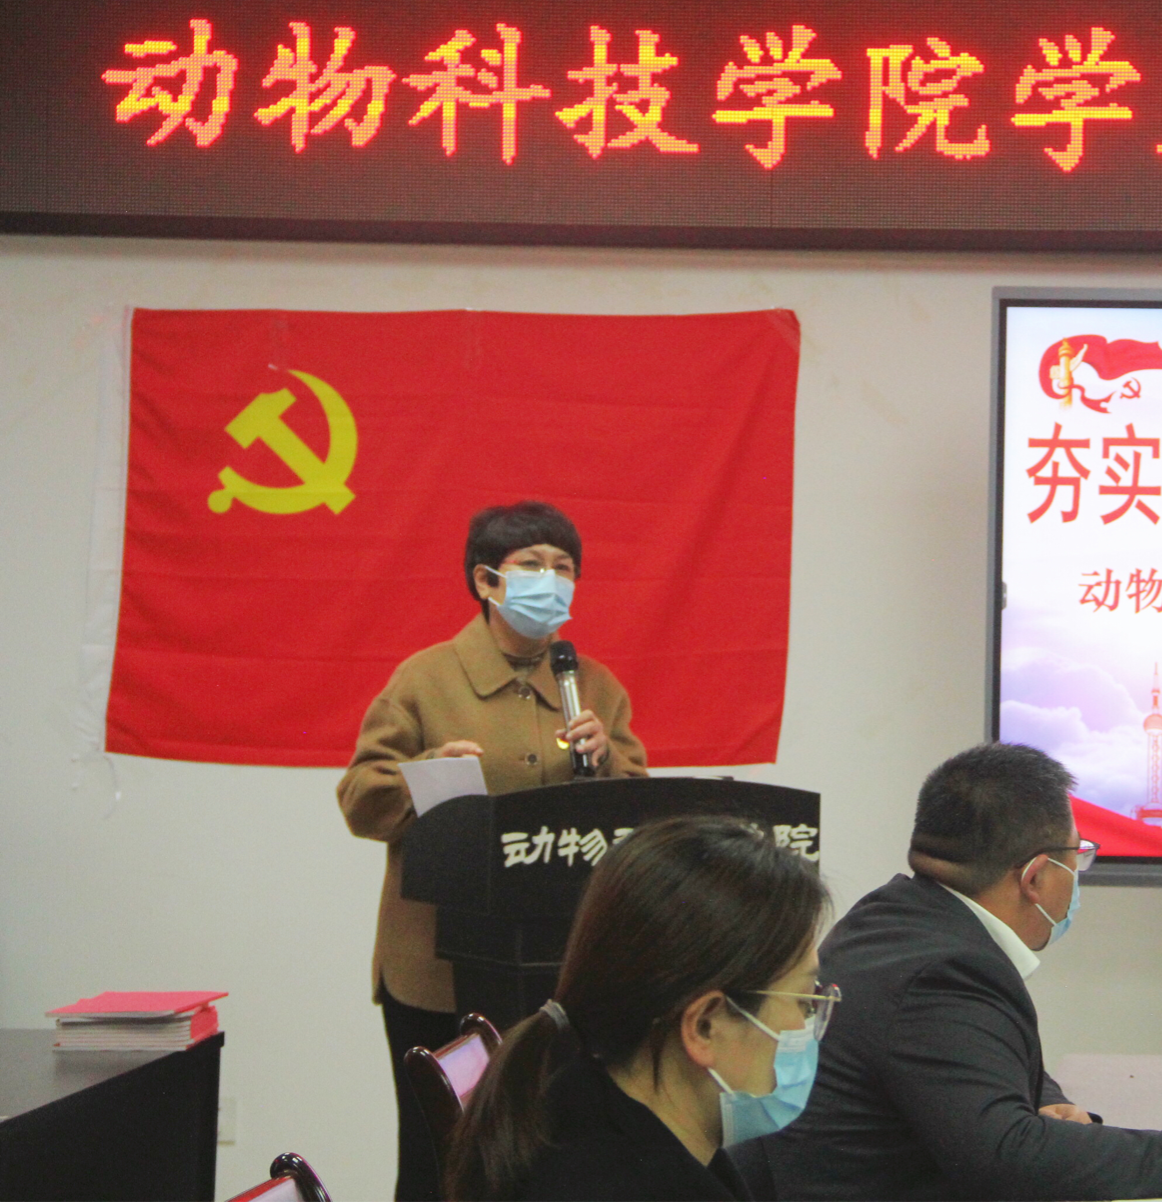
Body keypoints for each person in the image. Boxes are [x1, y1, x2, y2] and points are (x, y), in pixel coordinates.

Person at [733, 743, 1162, 1202]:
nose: (1079, 875)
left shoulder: (895, 919)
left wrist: (1043, 1100)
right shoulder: (945, 971)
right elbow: (1011, 1160)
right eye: (1078, 857)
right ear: (1036, 878)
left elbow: (967, 1068)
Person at [338, 501, 649, 1202]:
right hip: (438, 968)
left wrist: (608, 764)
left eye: (564, 569)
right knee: (440, 1157)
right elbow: (360, 797)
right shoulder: (425, 679)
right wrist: (427, 775)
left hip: (559, 967)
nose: (552, 581)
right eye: (532, 566)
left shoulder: (593, 685)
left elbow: (637, 817)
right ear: (486, 581)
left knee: (552, 1155)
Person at [445, 815, 833, 1202]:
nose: (808, 1022)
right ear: (705, 1025)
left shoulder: (571, 1102)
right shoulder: (618, 1181)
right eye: (803, 1001)